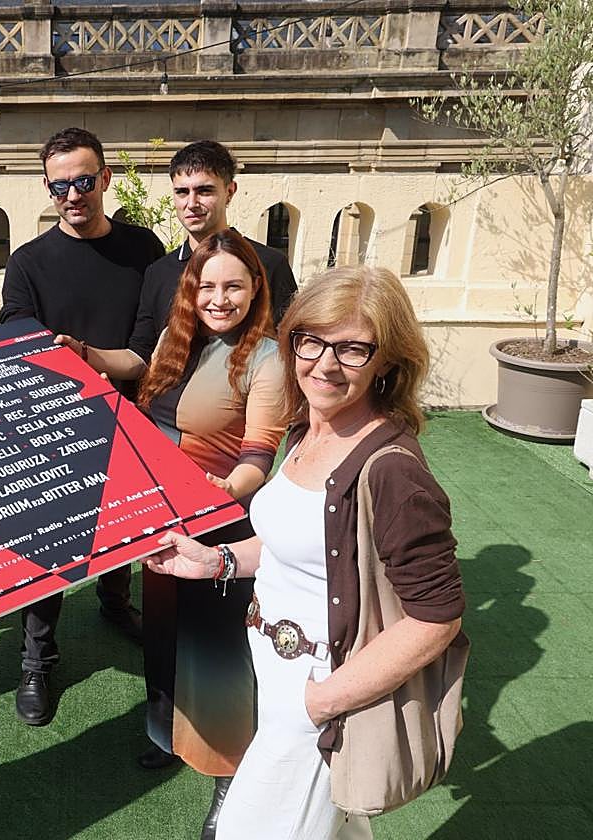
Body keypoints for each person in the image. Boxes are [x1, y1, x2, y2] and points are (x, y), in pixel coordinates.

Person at [143, 265, 465, 839]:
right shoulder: (310, 429)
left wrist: (322, 702)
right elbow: (294, 545)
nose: (325, 363)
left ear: (388, 361)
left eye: (354, 349)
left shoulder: (391, 470)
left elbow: (435, 619)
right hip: (273, 670)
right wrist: (213, 561)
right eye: (311, 341)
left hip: (319, 690)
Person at [58, 230, 285, 839]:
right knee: (162, 637)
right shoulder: (177, 340)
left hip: (218, 527)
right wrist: (87, 353)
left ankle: (227, 779)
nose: (219, 297)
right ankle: (168, 736)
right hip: (157, 521)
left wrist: (216, 494)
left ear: (254, 289)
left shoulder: (267, 357)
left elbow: (258, 457)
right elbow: (136, 377)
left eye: (233, 285)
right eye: (207, 285)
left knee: (216, 655)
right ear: (191, 289)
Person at [0, 126, 165, 726]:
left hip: (130, 411)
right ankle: (36, 659)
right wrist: (54, 356)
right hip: (50, 423)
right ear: (49, 188)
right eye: (60, 184)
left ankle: (116, 602)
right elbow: (19, 343)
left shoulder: (143, 248)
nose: (73, 194)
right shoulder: (27, 263)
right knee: (48, 547)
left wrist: (95, 357)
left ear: (106, 180)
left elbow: (151, 340)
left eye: (84, 181)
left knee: (125, 525)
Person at [130, 140, 297, 372]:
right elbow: (141, 354)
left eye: (204, 191)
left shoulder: (268, 263)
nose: (192, 203)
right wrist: (84, 352)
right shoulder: (158, 272)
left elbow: (289, 348)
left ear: (229, 192)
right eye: (182, 192)